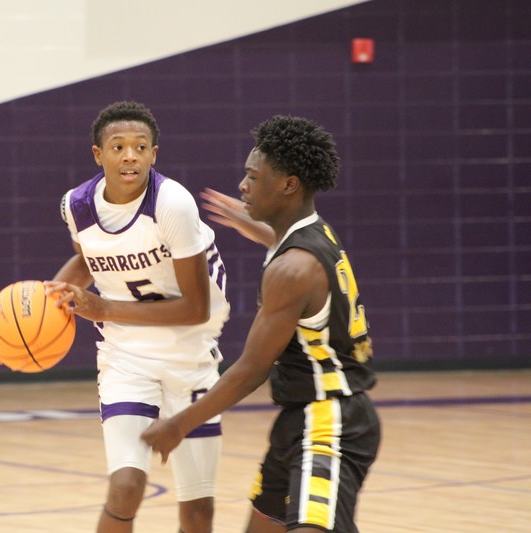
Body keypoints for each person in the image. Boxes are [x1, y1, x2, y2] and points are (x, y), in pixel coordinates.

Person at [141, 115, 381, 533]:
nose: (242, 185)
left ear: (288, 184)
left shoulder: (292, 269)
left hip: (331, 422)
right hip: (299, 419)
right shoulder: (312, 234)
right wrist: (254, 225)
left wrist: (179, 424)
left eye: (254, 176)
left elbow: (251, 370)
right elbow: (284, 243)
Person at [45, 101, 231, 533]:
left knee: (199, 511)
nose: (129, 155)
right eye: (118, 146)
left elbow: (194, 308)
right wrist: (50, 298)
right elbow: (90, 258)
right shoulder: (76, 205)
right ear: (98, 154)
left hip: (191, 355)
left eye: (140, 147)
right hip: (126, 356)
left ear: (153, 154)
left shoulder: (173, 204)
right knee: (126, 485)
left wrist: (102, 308)